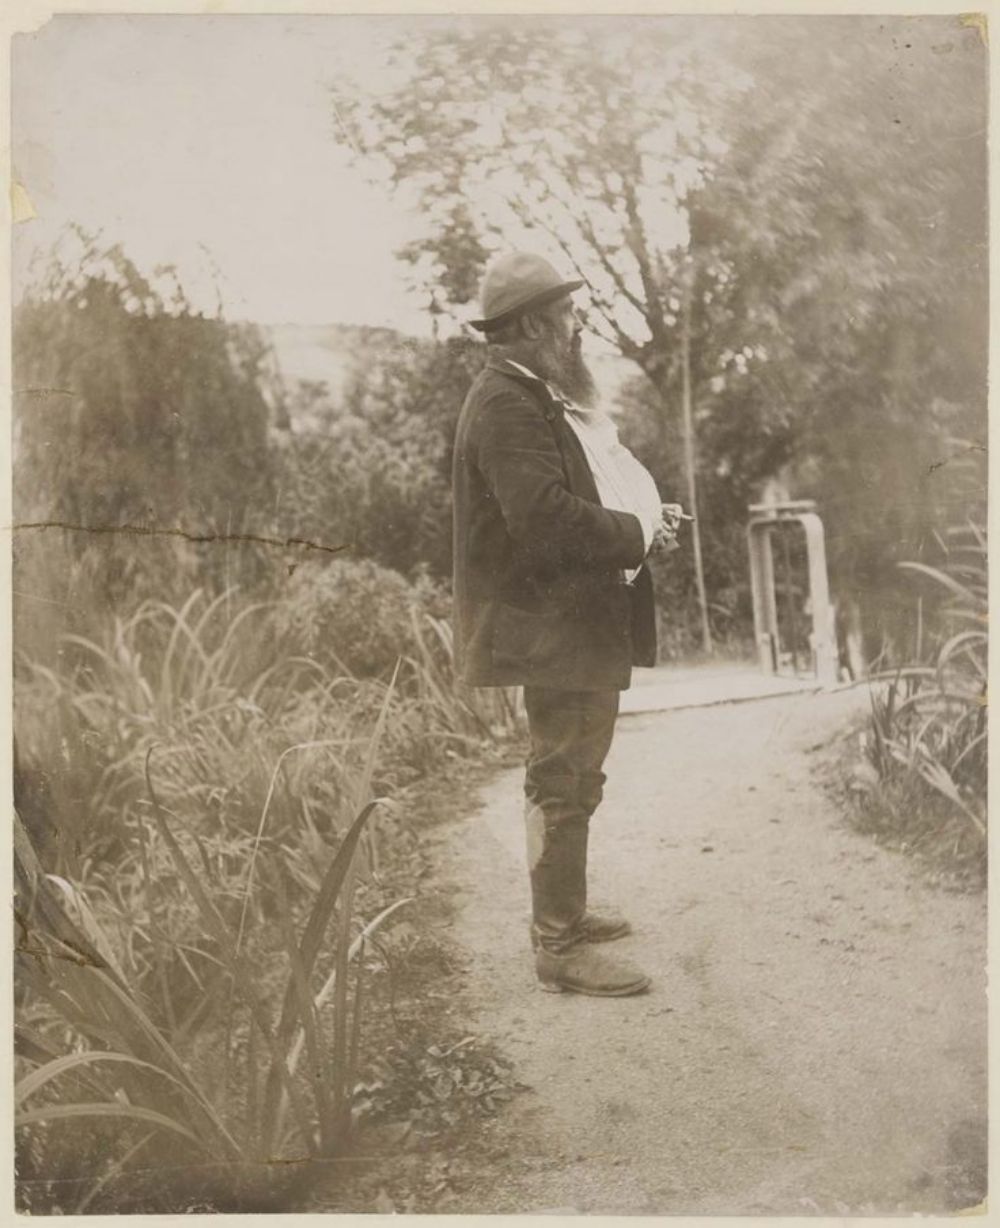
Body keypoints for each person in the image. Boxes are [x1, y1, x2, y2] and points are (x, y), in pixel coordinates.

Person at [452, 251, 682, 997]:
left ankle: (567, 916)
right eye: (568, 317)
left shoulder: (530, 396)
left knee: (574, 771)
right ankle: (558, 944)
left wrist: (642, 524)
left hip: (566, 621)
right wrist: (634, 535)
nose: (577, 328)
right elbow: (546, 522)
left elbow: (570, 500)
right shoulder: (505, 404)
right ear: (531, 325)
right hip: (548, 626)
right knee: (564, 772)